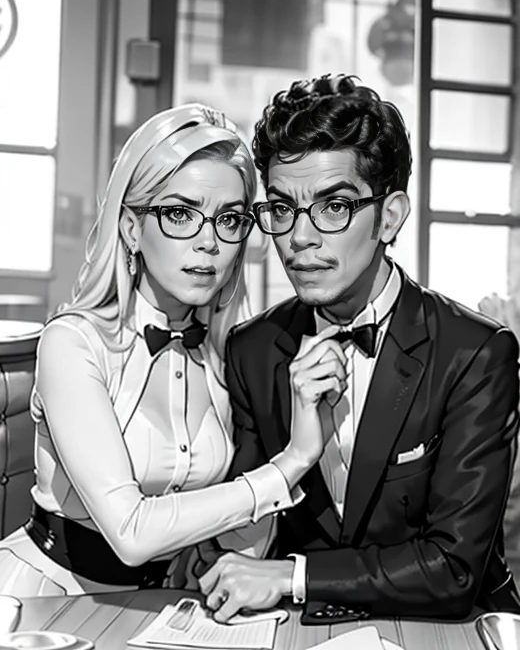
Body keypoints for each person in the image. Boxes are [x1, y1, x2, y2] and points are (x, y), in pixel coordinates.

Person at [200, 75, 520, 623]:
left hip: (454, 629)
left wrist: (293, 576)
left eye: (334, 207)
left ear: (389, 216)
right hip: (309, 628)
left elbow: (454, 568)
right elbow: (247, 540)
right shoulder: (253, 351)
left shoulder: (476, 354)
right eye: (281, 209)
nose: (300, 238)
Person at [0, 103, 319, 598]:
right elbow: (131, 533)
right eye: (180, 214)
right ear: (131, 228)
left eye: (229, 220)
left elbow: (237, 533)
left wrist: (219, 546)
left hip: (164, 605)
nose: (208, 242)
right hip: (44, 598)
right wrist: (288, 466)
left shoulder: (225, 352)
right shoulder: (73, 343)